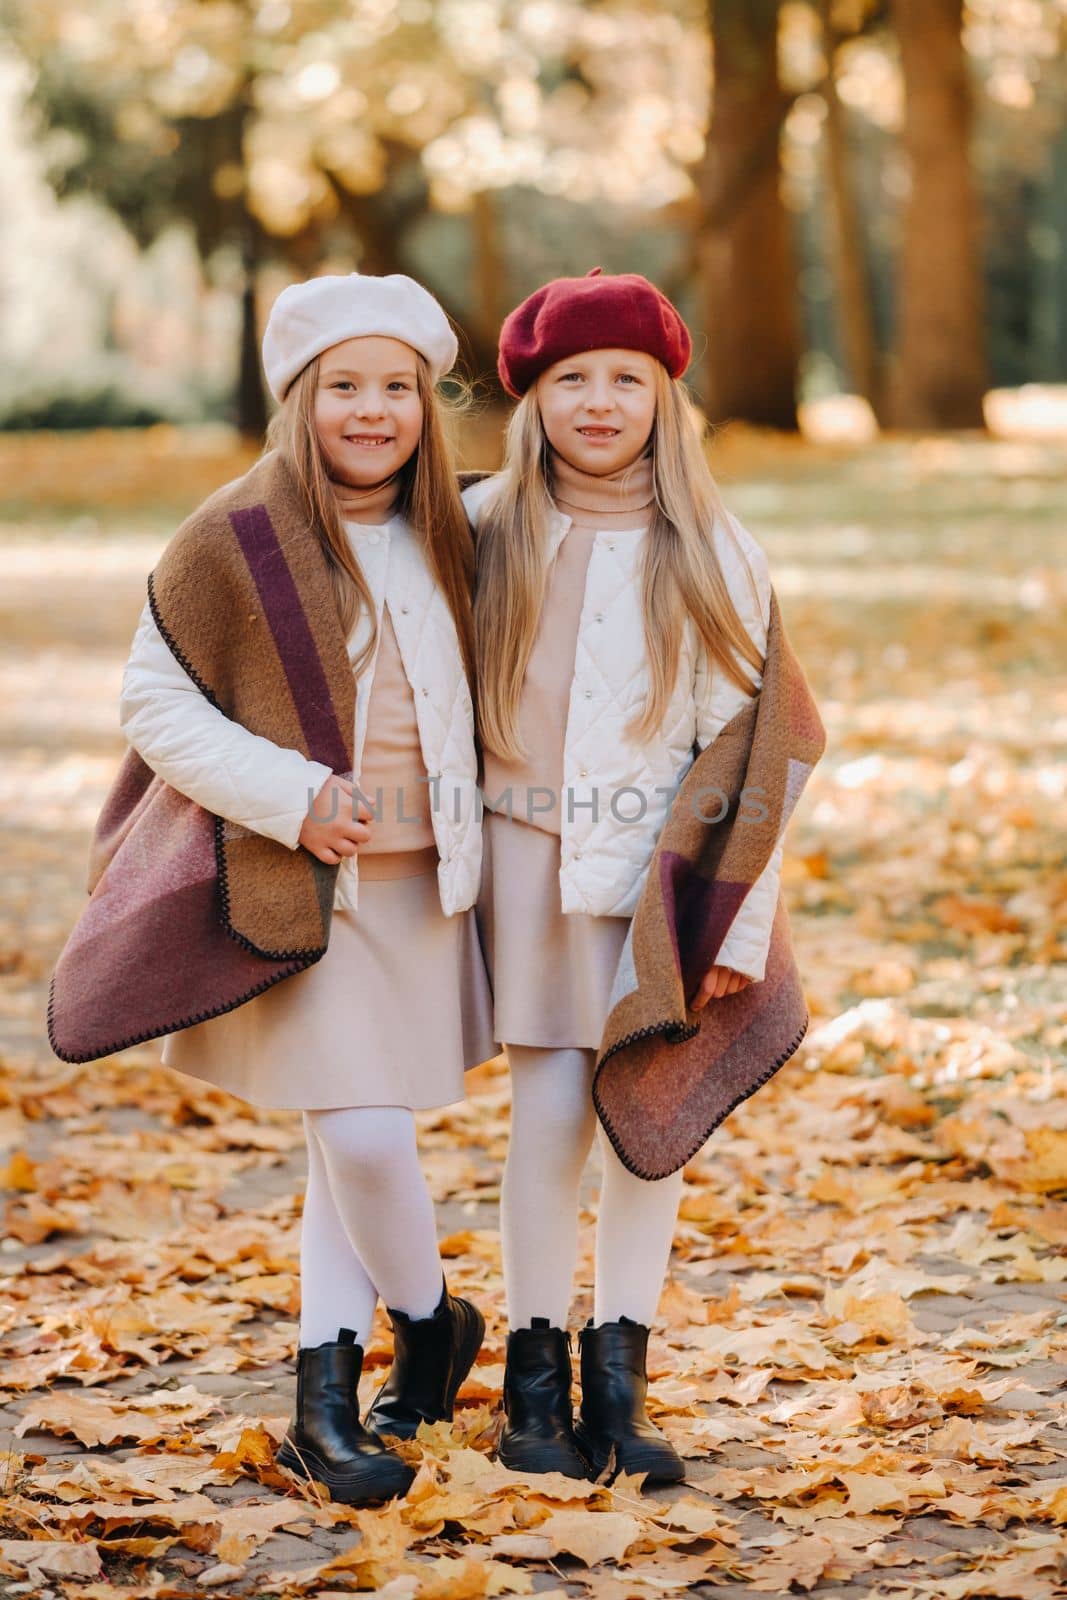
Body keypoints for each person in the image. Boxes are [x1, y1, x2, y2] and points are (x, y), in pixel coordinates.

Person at [117, 273, 494, 1503]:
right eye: (345, 387)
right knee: (361, 1130)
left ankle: (327, 1400)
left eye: (396, 388)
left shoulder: (461, 531)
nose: (371, 411)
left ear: (427, 406)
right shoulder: (233, 537)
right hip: (304, 878)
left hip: (420, 885)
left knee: (348, 1140)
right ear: (302, 399)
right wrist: (288, 791)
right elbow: (155, 704)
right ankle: (428, 1325)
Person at [467, 269, 778, 1483]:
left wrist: (722, 921)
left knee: (652, 1129)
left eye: (625, 381)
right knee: (548, 1121)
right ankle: (531, 1391)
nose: (598, 403)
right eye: (570, 380)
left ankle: (620, 1383)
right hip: (530, 869)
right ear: (533, 397)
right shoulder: (482, 525)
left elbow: (749, 746)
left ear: (665, 397)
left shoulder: (711, 547)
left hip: (659, 882)